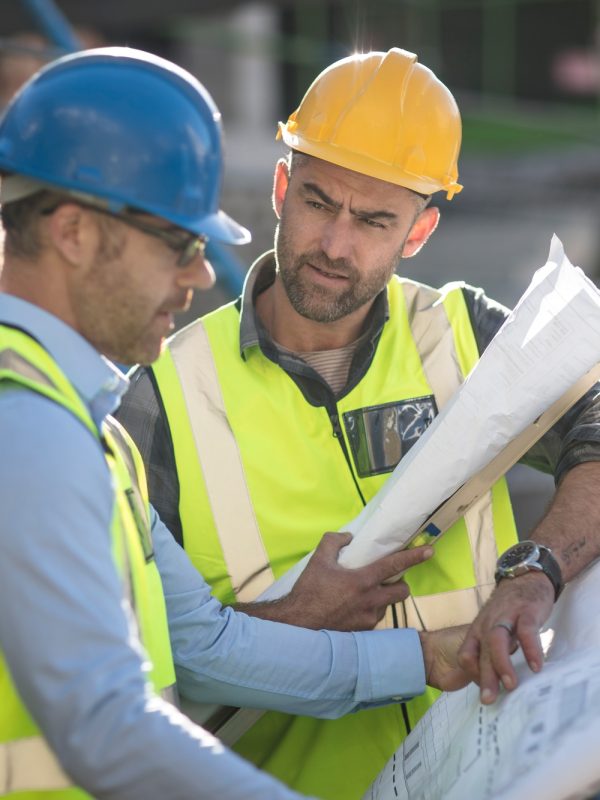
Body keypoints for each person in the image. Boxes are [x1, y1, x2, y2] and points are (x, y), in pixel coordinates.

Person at [117, 47, 600, 800]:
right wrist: (288, 619)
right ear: (281, 185)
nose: (336, 246)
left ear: (420, 231)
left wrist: (537, 571)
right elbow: (130, 659)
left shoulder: (466, 334)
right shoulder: (160, 394)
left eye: (374, 220)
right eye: (317, 202)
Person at [0, 46, 473, 800]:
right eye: (180, 244)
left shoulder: (85, 427)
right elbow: (105, 723)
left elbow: (206, 645)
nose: (197, 275)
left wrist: (426, 660)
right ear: (74, 234)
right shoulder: (28, 431)